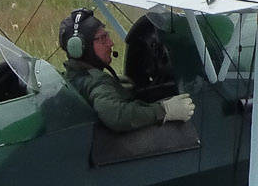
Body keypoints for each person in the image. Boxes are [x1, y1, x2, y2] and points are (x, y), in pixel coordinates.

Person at [59, 8, 194, 131]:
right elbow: (116, 115)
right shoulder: (96, 82)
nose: (110, 43)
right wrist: (164, 110)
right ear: (81, 48)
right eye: (103, 38)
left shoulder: (71, 76)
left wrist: (116, 87)